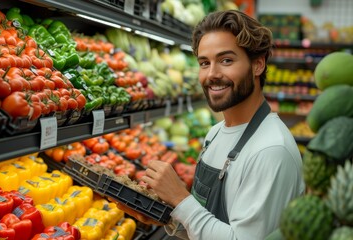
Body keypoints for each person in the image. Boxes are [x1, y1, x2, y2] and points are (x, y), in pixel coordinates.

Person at [118, 9, 305, 240]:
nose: (212, 74)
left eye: (226, 60)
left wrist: (180, 199)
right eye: (204, 63)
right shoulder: (215, 134)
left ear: (258, 65)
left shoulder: (271, 150)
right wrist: (169, 216)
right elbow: (210, 226)